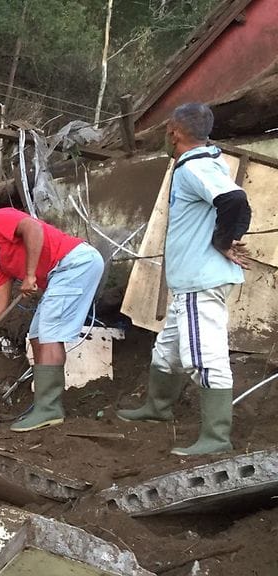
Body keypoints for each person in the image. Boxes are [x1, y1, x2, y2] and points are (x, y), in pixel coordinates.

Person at [116, 103, 251, 456]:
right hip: (187, 284)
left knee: (204, 357)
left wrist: (223, 241)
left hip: (198, 282)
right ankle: (157, 407)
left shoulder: (195, 167)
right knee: (168, 352)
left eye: (167, 131)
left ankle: (216, 437)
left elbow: (236, 199)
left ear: (174, 132)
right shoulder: (203, 164)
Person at [0, 208, 104, 432]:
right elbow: (1, 302)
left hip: (74, 263)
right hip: (59, 274)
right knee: (37, 335)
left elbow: (33, 228)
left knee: (50, 332)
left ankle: (49, 409)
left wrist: (30, 274)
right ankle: (44, 405)